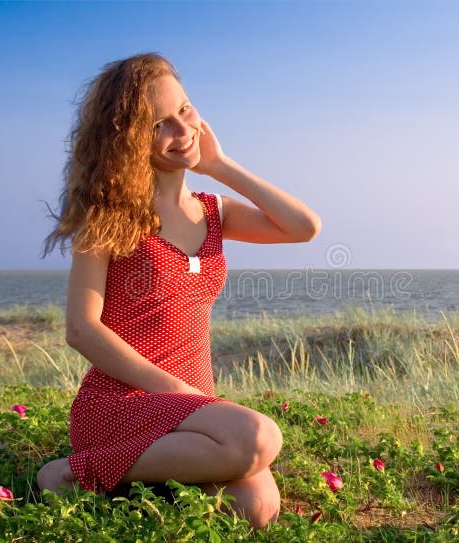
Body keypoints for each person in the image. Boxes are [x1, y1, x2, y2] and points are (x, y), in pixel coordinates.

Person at [37, 52, 321, 529]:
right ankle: (71, 472)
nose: (181, 130)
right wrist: (177, 392)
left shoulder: (215, 213)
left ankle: (131, 486)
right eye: (157, 125)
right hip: (121, 404)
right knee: (258, 439)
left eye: (184, 110)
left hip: (193, 412)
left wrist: (222, 165)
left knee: (255, 507)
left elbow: (303, 227)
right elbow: (81, 330)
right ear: (126, 140)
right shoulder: (108, 219)